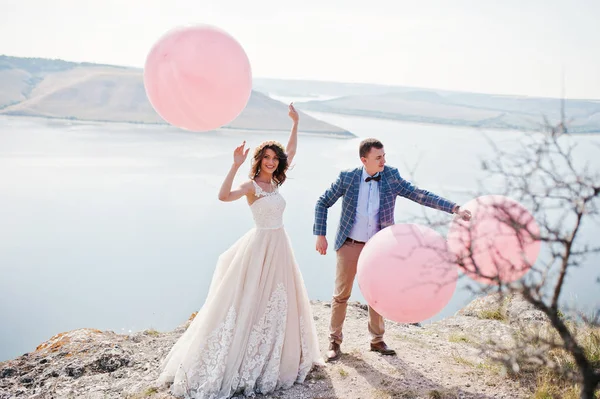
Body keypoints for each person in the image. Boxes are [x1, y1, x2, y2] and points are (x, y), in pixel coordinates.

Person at [158, 103, 322, 398]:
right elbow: (223, 197)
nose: (272, 162)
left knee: (279, 300)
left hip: (279, 245)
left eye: (275, 158)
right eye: (267, 158)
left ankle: (277, 352)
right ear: (258, 160)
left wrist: (295, 124)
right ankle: (240, 359)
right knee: (250, 300)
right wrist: (234, 164)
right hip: (259, 246)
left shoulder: (275, 181)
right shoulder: (252, 186)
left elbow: (292, 151)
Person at [313, 138, 472, 362]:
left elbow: (420, 195)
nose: (383, 161)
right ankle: (334, 342)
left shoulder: (391, 176)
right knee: (341, 296)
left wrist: (454, 208)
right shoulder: (347, 177)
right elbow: (322, 202)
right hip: (349, 245)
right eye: (378, 157)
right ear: (363, 159)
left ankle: (377, 341)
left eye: (384, 156)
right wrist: (320, 234)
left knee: (378, 295)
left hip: (380, 248)